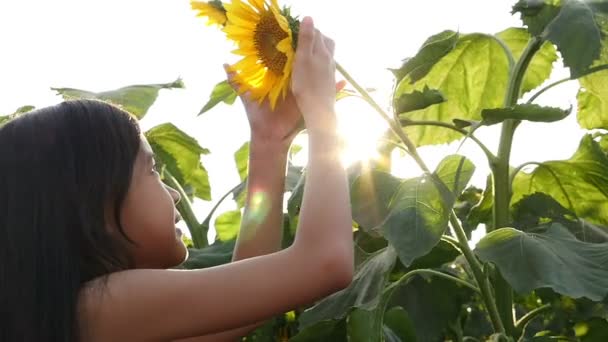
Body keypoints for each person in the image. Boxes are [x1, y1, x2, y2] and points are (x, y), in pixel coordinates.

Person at [0, 16, 354, 341]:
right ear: (95, 204)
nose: (174, 194)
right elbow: (324, 261)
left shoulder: (79, 315)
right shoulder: (101, 305)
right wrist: (321, 110)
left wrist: (269, 140)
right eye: (152, 170)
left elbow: (241, 309)